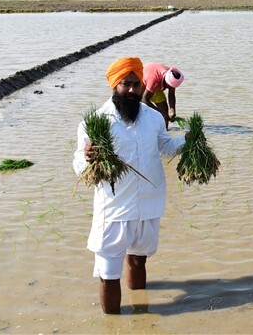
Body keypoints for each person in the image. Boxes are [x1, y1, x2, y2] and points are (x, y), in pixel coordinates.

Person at [73, 57, 187, 314]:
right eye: (126, 84)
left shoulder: (153, 117)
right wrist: (87, 157)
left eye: (137, 84)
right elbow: (79, 166)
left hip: (149, 204)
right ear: (115, 85)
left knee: (138, 261)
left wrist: (186, 141)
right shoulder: (95, 121)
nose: (133, 90)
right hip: (114, 210)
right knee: (108, 273)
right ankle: (112, 324)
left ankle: (141, 315)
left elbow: (165, 147)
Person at [142, 62, 184, 130]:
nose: (171, 88)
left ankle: (165, 131)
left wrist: (172, 110)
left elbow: (171, 95)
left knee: (164, 107)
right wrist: (161, 113)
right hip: (141, 86)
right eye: (170, 86)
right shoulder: (154, 80)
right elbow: (144, 100)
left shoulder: (172, 75)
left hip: (155, 85)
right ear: (166, 82)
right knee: (141, 111)